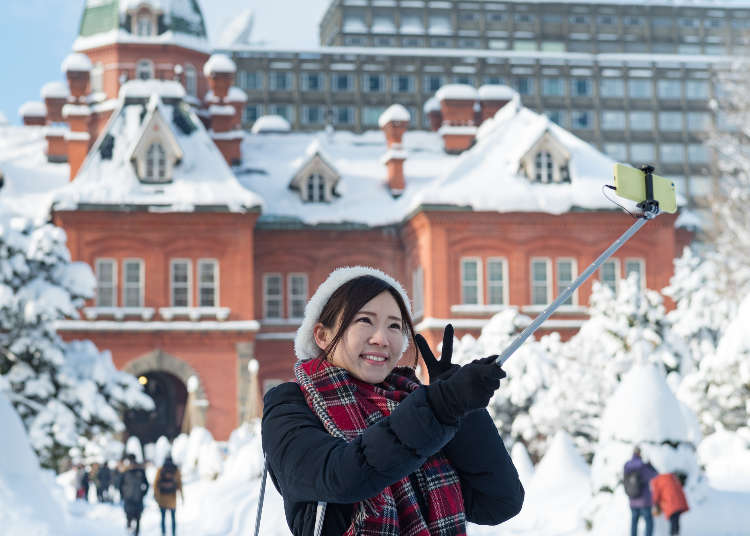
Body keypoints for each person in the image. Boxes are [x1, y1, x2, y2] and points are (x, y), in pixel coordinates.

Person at [262, 266, 525, 535]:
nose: (382, 338)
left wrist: (463, 411)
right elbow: (341, 475)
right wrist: (440, 405)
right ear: (322, 334)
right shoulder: (290, 405)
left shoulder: (411, 404)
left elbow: (499, 502)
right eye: (365, 320)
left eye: (394, 326)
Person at [624, 446, 659, 536]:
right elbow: (654, 475)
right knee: (649, 522)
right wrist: (650, 466)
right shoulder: (642, 466)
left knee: (634, 523)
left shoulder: (627, 465)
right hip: (644, 501)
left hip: (632, 499)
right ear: (640, 453)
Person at [119, 453, 149, 535]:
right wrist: (123, 494)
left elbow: (146, 484)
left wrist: (143, 494)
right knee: (130, 518)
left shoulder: (140, 471)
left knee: (137, 518)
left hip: (136, 498)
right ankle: (131, 531)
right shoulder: (126, 472)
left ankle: (135, 532)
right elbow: (120, 485)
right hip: (130, 499)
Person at [154, 455, 183, 536]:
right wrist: (182, 496)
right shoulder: (175, 470)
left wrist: (156, 495)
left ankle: (163, 533)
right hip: (172, 498)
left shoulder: (161, 469)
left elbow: (155, 483)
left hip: (162, 498)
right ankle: (173, 533)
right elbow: (179, 483)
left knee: (163, 518)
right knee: (173, 518)